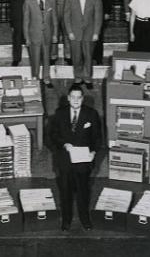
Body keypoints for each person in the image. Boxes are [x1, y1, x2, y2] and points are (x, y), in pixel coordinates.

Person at [49, 84, 102, 231]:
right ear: (68, 98)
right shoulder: (59, 114)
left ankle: (85, 220)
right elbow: (53, 135)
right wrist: (64, 144)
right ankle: (66, 221)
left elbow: (97, 137)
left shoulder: (91, 114)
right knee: (65, 192)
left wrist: (93, 152)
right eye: (73, 97)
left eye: (79, 97)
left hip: (83, 161)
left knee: (83, 192)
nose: (76, 100)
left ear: (83, 99)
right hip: (65, 160)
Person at [64, 0, 102, 89]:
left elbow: (98, 16)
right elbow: (66, 16)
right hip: (75, 33)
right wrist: (69, 31)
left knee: (88, 56)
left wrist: (96, 32)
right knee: (76, 57)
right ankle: (78, 77)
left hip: (90, 32)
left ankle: (88, 78)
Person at [23, 0, 57, 86]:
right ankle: (35, 78)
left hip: (47, 34)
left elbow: (55, 19)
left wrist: (55, 34)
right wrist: (27, 38)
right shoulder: (28, 1)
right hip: (34, 36)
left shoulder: (51, 0)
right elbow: (26, 21)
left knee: (47, 57)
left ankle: (47, 78)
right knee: (35, 59)